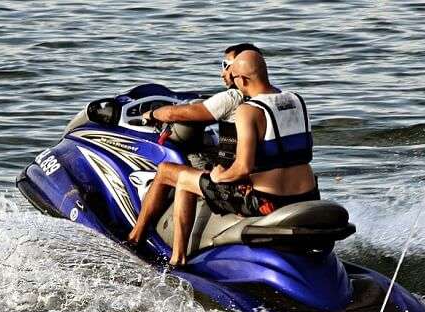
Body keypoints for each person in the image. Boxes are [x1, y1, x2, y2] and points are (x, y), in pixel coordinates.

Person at [131, 50, 319, 265]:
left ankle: (175, 258)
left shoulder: (248, 110)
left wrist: (219, 176)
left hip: (266, 202)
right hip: (306, 194)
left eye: (233, 76)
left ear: (243, 79)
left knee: (179, 176)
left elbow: (242, 168)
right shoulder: (295, 100)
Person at [127, 43, 261, 245]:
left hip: (237, 184)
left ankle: (138, 239)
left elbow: (177, 113)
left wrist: (152, 114)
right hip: (265, 180)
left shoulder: (232, 98)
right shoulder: (273, 98)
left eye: (226, 65)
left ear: (240, 70)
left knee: (170, 172)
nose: (223, 72)